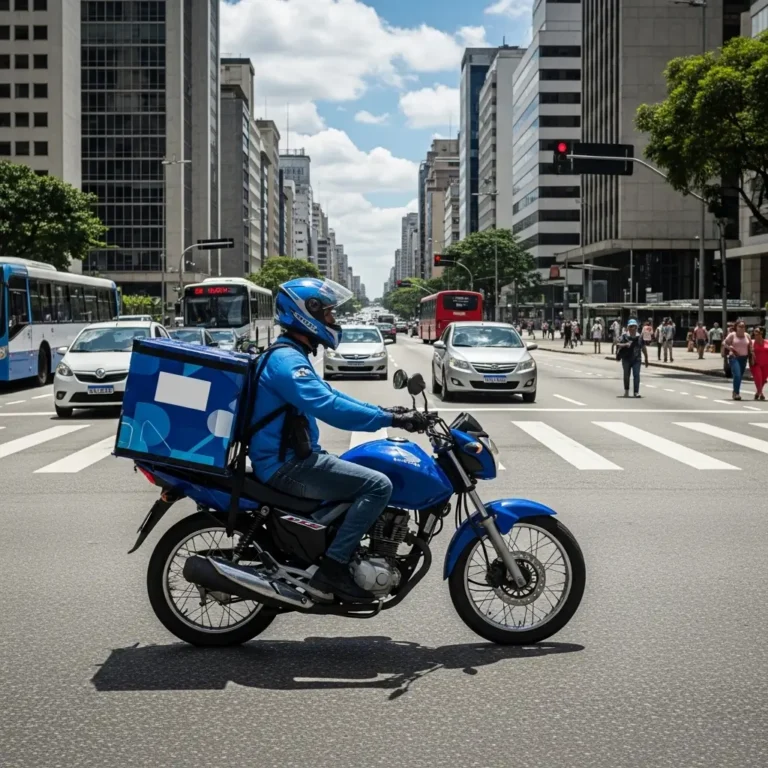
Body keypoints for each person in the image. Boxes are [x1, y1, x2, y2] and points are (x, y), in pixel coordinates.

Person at [248, 277, 428, 602]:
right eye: (329, 314)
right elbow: (329, 407)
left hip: (289, 458)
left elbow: (332, 395)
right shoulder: (287, 361)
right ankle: (333, 569)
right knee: (378, 486)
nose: (334, 320)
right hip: (285, 465)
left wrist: (387, 411)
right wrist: (390, 420)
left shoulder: (290, 354)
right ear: (306, 314)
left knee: (360, 473)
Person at [616, 318, 649, 397]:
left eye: (634, 326)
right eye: (631, 326)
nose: (632, 328)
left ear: (636, 327)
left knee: (636, 375)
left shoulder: (640, 337)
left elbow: (643, 348)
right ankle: (626, 390)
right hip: (626, 359)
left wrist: (646, 359)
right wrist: (625, 344)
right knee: (626, 375)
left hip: (636, 359)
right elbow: (617, 344)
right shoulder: (624, 336)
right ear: (628, 327)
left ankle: (636, 392)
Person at [723, 320, 752, 401]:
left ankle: (735, 391)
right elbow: (724, 343)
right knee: (737, 375)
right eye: (740, 326)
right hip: (734, 357)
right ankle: (736, 393)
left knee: (739, 376)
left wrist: (751, 355)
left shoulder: (747, 335)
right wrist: (730, 347)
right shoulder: (732, 335)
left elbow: (750, 346)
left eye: (743, 326)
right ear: (736, 327)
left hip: (744, 358)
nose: (742, 328)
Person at [751, 327, 768, 401]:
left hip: (766, 364)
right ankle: (761, 393)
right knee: (758, 378)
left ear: (762, 333)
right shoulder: (752, 342)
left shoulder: (767, 342)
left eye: (758, 331)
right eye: (755, 331)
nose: (756, 333)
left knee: (763, 380)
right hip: (756, 364)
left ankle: (758, 392)